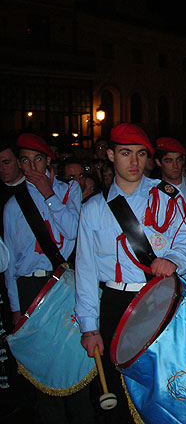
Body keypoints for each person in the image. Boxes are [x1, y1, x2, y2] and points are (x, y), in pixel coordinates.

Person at [75, 124, 186, 423]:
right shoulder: (94, 208)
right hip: (116, 302)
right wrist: (90, 326)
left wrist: (173, 259)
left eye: (140, 154)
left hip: (159, 298)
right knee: (118, 385)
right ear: (110, 155)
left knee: (163, 382)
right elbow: (85, 271)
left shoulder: (167, 198)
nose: (133, 162)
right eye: (125, 153)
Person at [3, 133, 90, 423]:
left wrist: (49, 195)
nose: (31, 167)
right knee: (44, 364)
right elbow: (12, 263)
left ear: (48, 160)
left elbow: (74, 231)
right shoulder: (14, 205)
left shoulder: (69, 192)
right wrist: (16, 308)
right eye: (25, 160)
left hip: (63, 283)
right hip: (31, 286)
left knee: (73, 356)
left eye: (37, 159)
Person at [155, 136, 186, 225]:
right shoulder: (154, 192)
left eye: (178, 160)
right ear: (158, 162)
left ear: (183, 161)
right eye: (169, 161)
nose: (175, 166)